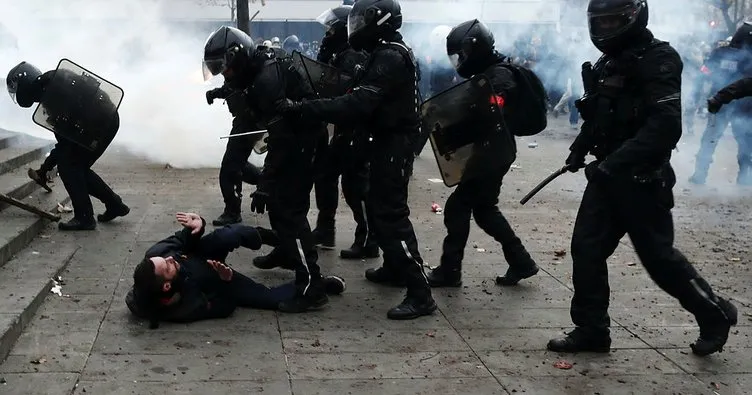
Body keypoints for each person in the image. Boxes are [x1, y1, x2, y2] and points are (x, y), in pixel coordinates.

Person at [548, 0, 737, 357]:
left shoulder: (658, 59)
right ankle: (591, 330)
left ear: (633, 17)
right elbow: (599, 115)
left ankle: (714, 314)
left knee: (659, 260)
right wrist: (580, 147)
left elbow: (666, 125)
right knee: (586, 250)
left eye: (612, 21)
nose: (604, 28)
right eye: (598, 22)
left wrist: (613, 163)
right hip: (606, 177)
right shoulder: (608, 62)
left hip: (642, 180)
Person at [279, 0, 437, 320]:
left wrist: (308, 109)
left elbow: (360, 102)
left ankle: (420, 293)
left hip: (394, 144)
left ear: (379, 21)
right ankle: (394, 267)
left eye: (363, 19)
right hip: (383, 142)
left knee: (391, 216)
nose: (357, 26)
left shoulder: (390, 57)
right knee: (380, 209)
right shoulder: (384, 52)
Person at [203, 26, 329, 313]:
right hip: (297, 140)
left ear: (238, 57)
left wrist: (265, 184)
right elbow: (240, 85)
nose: (225, 74)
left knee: (290, 214)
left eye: (225, 68)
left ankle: (311, 288)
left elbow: (281, 141)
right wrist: (220, 91)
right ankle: (289, 255)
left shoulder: (267, 80)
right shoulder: (255, 66)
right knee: (284, 211)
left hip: (300, 143)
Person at [426, 20, 539, 288]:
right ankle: (522, 261)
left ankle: (450, 271)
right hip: (492, 151)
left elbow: (489, 119)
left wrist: (454, 135)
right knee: (485, 210)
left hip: (493, 153)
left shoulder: (499, 76)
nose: (459, 61)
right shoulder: (489, 73)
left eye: (461, 55)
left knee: (457, 208)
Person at [125, 212, 345, 328]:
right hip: (215, 279)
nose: (170, 259)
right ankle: (318, 284)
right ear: (166, 285)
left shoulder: (159, 254)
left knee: (227, 235)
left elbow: (182, 239)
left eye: (167, 258)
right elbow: (224, 307)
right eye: (168, 265)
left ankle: (277, 241)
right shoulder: (183, 308)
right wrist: (226, 279)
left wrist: (197, 224)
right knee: (269, 299)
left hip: (198, 254)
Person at [6, 61, 130, 230]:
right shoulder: (52, 83)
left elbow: (65, 141)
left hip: (100, 126)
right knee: (78, 167)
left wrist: (46, 167)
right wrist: (45, 168)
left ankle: (85, 218)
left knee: (69, 166)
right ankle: (115, 205)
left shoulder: (52, 93)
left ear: (25, 85)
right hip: (106, 121)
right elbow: (67, 140)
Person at [309, 4, 378, 259]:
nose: (326, 34)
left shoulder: (352, 56)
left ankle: (369, 239)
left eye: (330, 29)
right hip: (342, 129)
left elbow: (345, 93)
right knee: (325, 174)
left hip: (356, 129)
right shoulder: (340, 53)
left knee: (355, 184)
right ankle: (325, 230)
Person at [689, 22, 752, 185]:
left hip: (720, 104)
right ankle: (743, 179)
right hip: (742, 107)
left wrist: (697, 94)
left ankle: (699, 175)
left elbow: (704, 74)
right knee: (745, 143)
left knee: (710, 139)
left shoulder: (719, 53)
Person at [206, 82, 264, 226]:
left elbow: (237, 87)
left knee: (229, 169)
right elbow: (232, 87)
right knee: (238, 164)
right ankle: (267, 183)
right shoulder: (238, 69)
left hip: (248, 124)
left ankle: (233, 212)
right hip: (245, 122)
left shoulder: (244, 67)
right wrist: (215, 93)